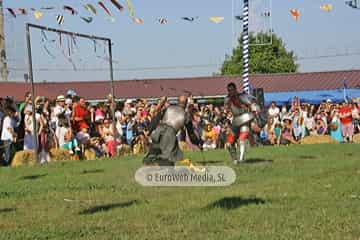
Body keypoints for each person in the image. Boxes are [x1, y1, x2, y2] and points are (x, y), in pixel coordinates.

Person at [143, 96, 202, 167]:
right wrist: (197, 142)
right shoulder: (186, 116)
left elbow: (156, 118)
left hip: (158, 131)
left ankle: (148, 168)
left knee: (154, 153)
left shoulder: (168, 108)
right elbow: (191, 133)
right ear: (186, 103)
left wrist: (149, 130)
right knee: (168, 159)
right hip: (169, 135)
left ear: (177, 101)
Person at [224, 82, 263, 164]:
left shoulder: (242, 96)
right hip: (235, 121)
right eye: (229, 90)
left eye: (231, 90)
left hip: (245, 119)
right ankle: (235, 160)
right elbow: (226, 111)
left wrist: (254, 111)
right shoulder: (227, 99)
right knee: (228, 144)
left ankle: (242, 159)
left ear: (235, 89)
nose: (230, 92)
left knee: (241, 140)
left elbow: (253, 105)